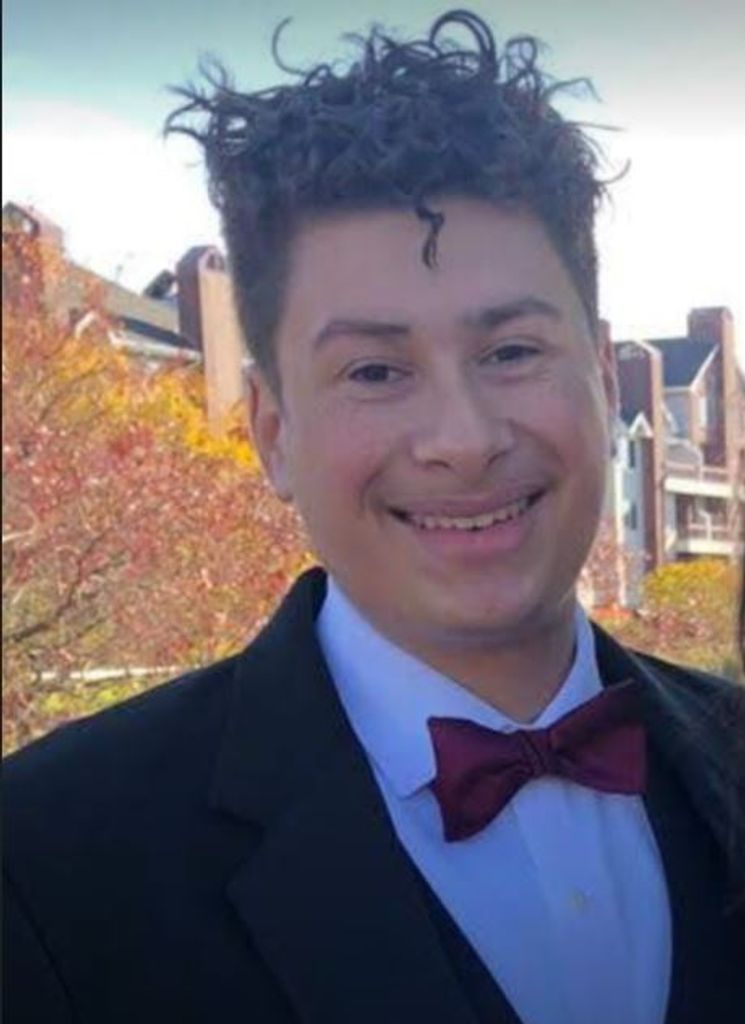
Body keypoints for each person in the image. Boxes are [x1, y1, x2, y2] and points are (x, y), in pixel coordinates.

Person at [4, 11, 744, 1024]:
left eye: (511, 352)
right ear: (271, 431)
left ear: (602, 376)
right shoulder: (43, 860)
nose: (463, 439)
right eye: (374, 371)